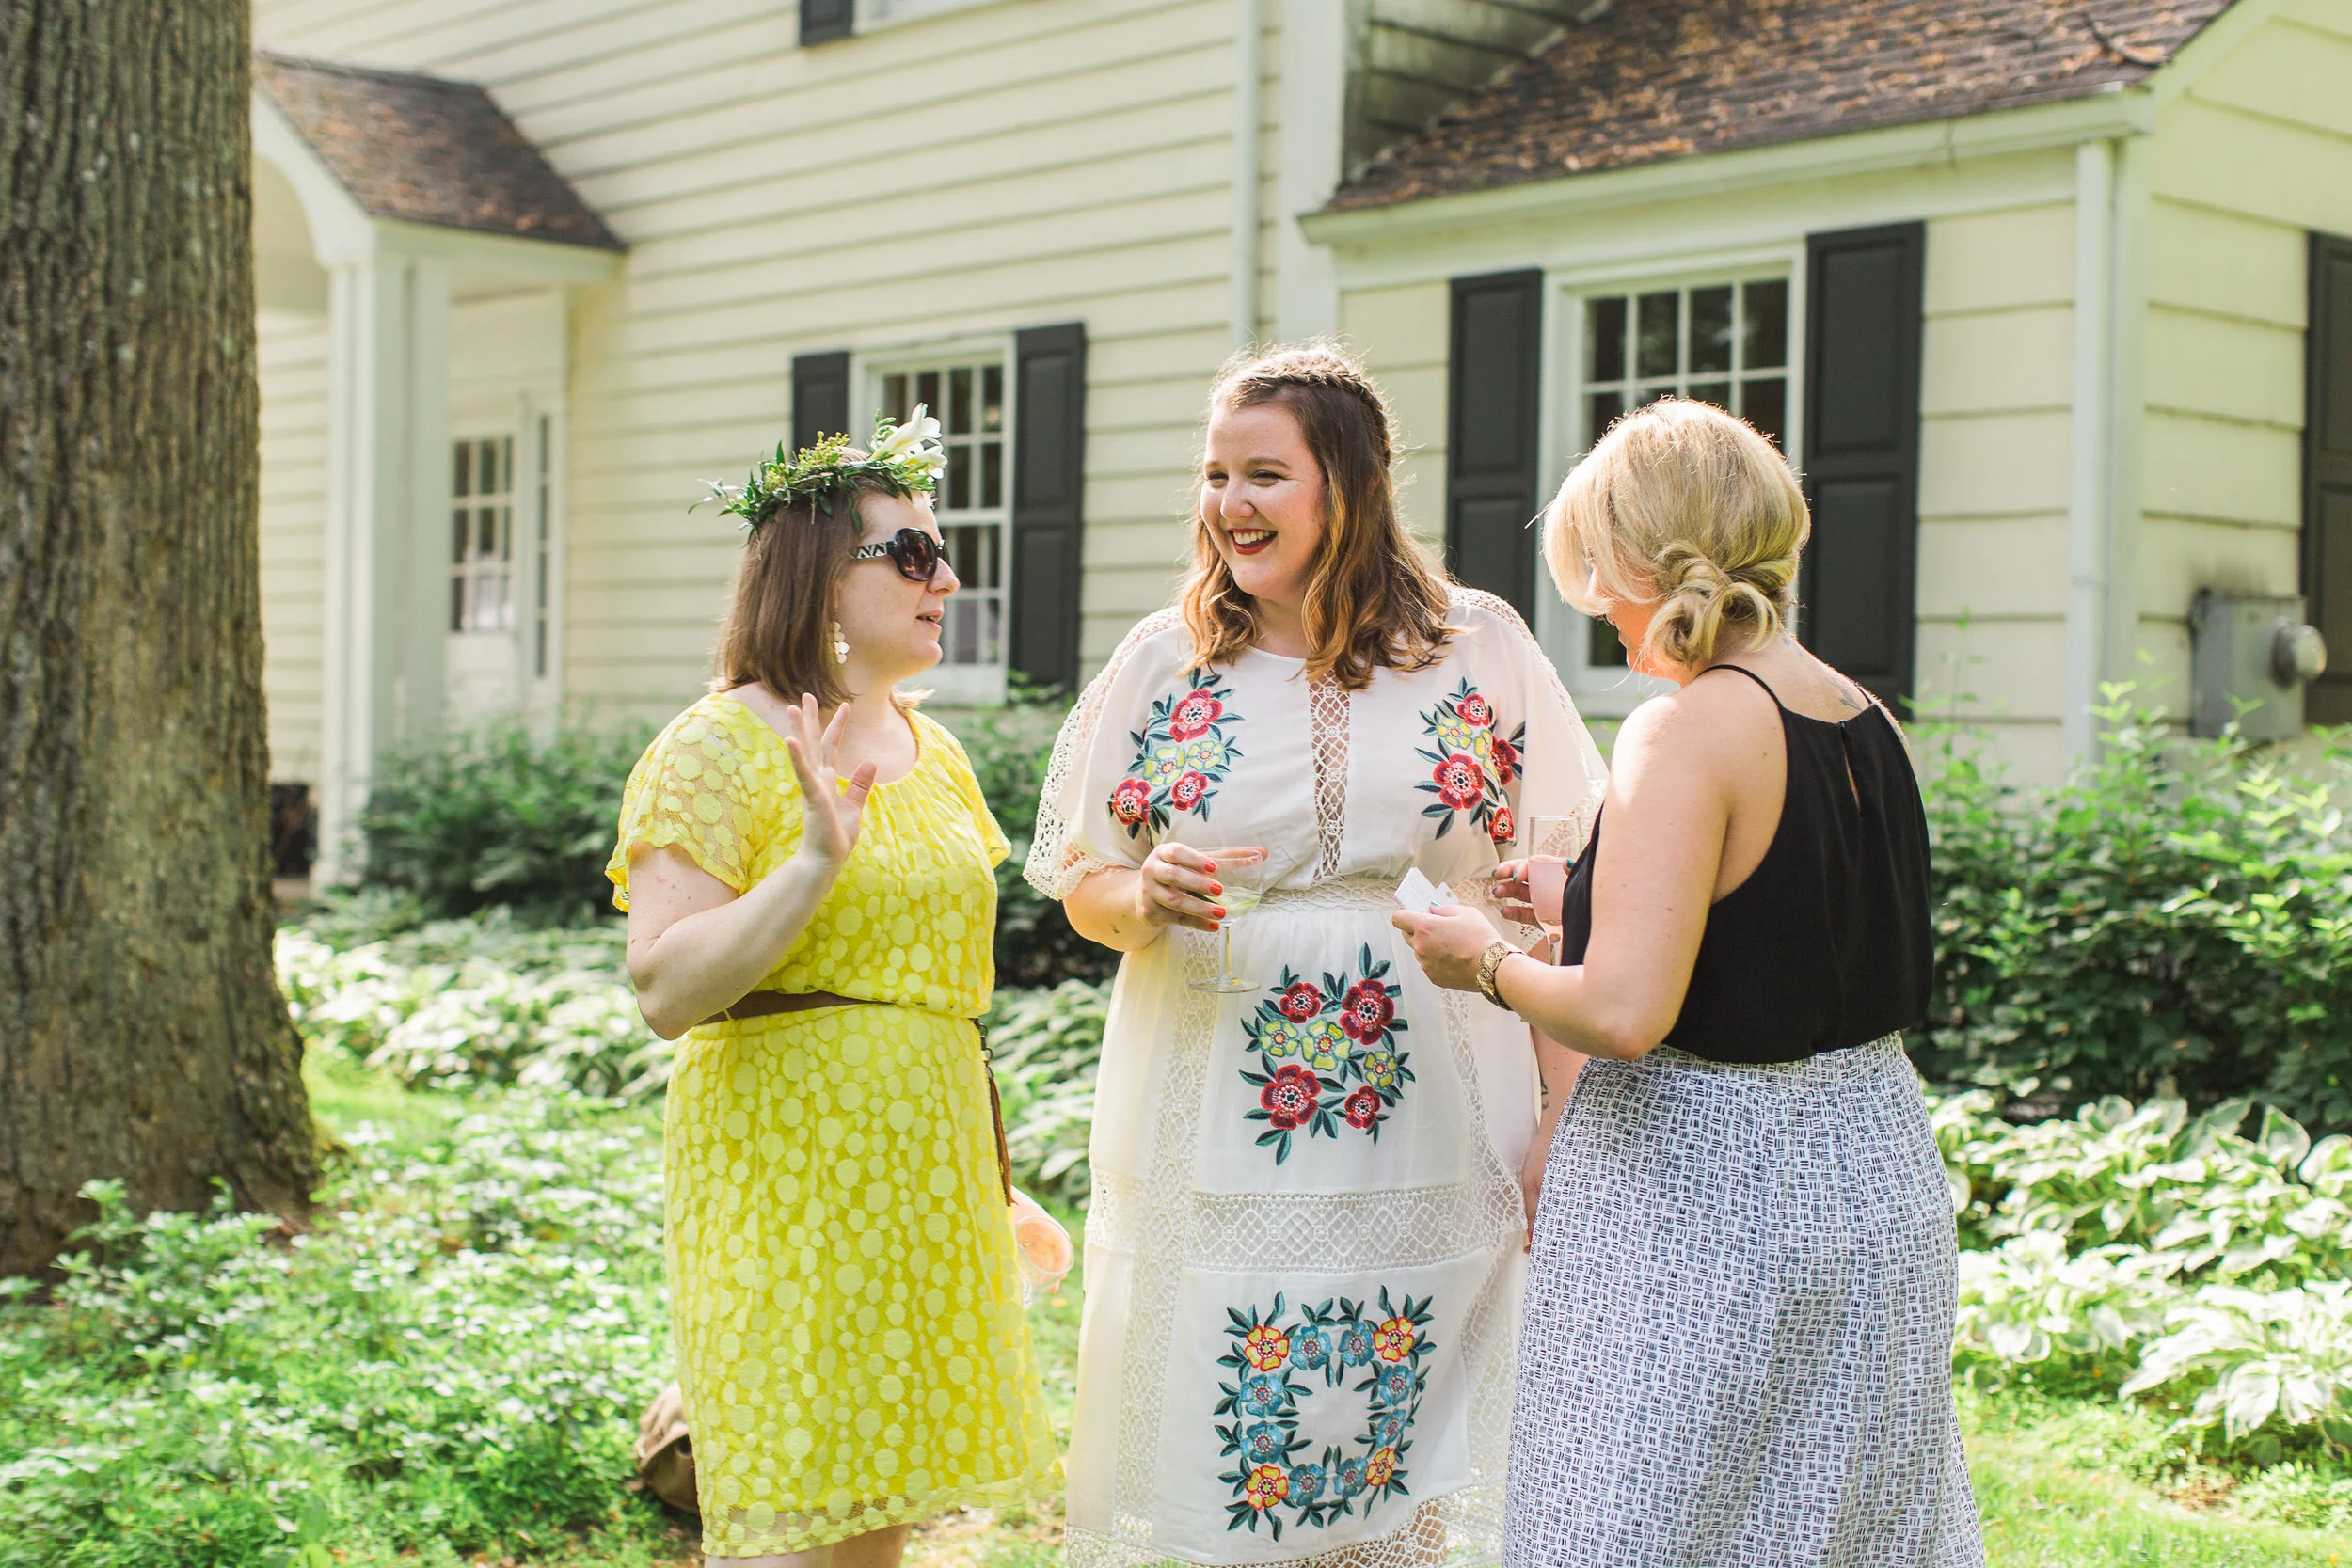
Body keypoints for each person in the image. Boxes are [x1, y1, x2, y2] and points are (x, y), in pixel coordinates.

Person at [1026, 344, 1608, 1567]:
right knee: (1233, 1371)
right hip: (1222, 1094)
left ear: (1349, 483)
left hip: (1437, 1090)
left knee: (1412, 1371)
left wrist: (1563, 1115)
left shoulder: (1477, 645)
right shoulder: (1162, 662)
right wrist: (1146, 893)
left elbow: (1558, 889)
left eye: (1264, 474)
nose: (1229, 503)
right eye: (1215, 474)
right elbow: (1084, 880)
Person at [1391, 398, 1982, 1566]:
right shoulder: (1865, 716)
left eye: (1594, 578)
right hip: (1870, 1168)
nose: (1600, 612)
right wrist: (1588, 893)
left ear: (1635, 560)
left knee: (1647, 1514)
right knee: (1824, 1519)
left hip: (1704, 1187)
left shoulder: (1687, 727)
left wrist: (1488, 963)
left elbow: (1622, 1013)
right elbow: (1792, 931)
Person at [608, 412, 1059, 1566]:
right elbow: (665, 985)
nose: (944, 576)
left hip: (925, 1163)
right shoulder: (716, 744)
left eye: (939, 551)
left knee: (877, 1505)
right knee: (791, 1497)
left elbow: (940, 989)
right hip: (788, 1168)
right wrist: (812, 864)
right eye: (909, 553)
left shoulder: (935, 749)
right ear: (814, 580)